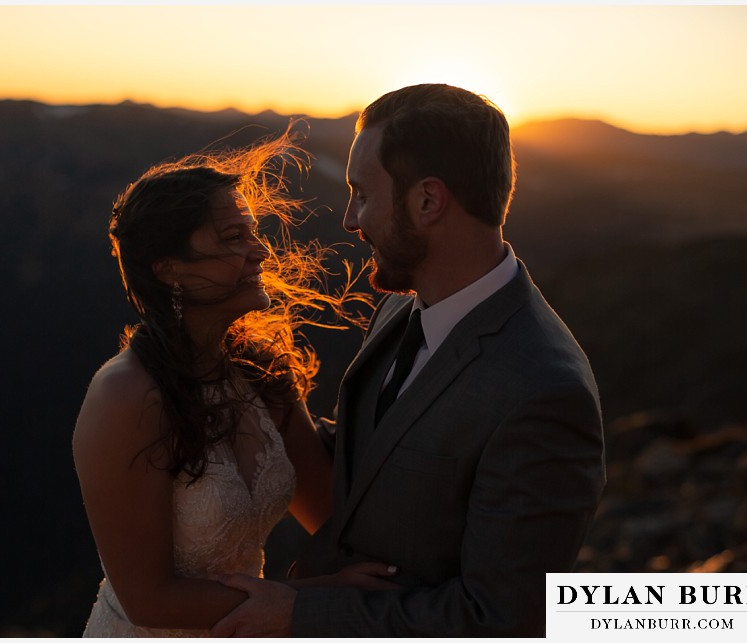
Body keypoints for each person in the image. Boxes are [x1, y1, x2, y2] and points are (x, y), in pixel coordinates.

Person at [211, 83, 607, 637]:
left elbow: (504, 619)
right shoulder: (402, 311)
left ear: (427, 201)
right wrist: (256, 378)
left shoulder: (541, 389)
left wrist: (300, 614)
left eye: (361, 195)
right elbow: (373, 468)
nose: (351, 219)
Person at [72, 126, 391, 637]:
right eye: (232, 239)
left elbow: (330, 512)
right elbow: (149, 602)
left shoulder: (262, 377)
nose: (260, 252)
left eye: (252, 233)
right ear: (169, 269)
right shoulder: (125, 398)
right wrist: (323, 594)